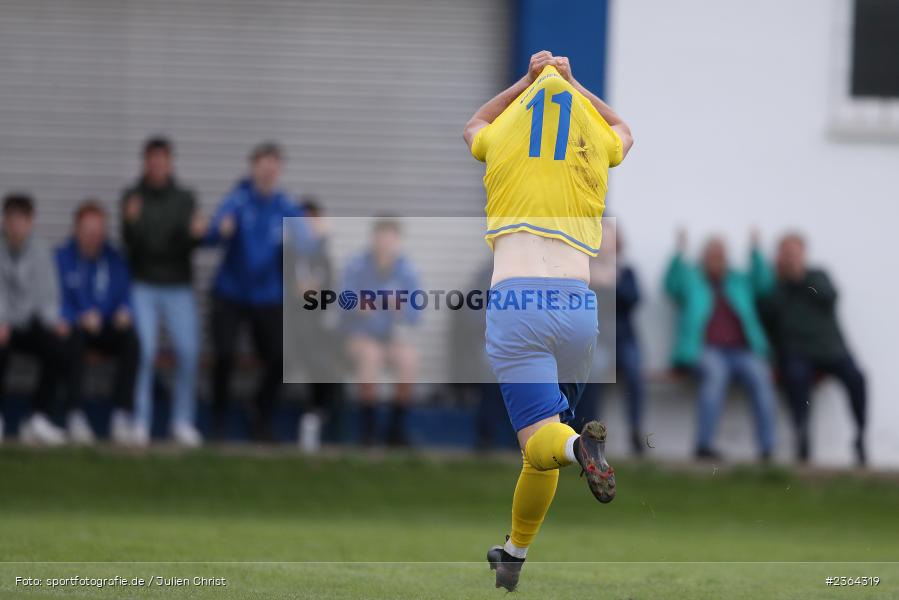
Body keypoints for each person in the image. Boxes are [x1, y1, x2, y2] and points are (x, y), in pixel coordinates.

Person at [464, 51, 633, 591]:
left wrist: (525, 80)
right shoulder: (591, 131)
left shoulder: (508, 125)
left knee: (546, 440)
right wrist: (576, 85)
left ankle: (580, 448)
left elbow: (473, 125)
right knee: (546, 445)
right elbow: (625, 129)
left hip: (519, 304)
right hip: (580, 309)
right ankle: (513, 553)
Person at [204, 142, 318, 442]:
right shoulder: (237, 200)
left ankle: (260, 411)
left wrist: (312, 235)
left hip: (266, 296)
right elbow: (211, 235)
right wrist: (220, 230)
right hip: (230, 293)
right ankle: (218, 418)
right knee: (225, 352)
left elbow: (306, 245)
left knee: (281, 356)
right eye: (263, 164)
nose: (268, 171)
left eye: (274, 165)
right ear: (253, 167)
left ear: (279, 171)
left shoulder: (285, 206)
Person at [121, 137, 205, 447]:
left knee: (188, 351)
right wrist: (137, 226)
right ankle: (140, 421)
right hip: (143, 283)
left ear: (170, 163)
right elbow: (133, 242)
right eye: (151, 160)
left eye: (162, 159)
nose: (157, 165)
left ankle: (182, 421)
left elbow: (188, 244)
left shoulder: (185, 199)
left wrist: (192, 236)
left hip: (178, 285)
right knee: (143, 351)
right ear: (145, 162)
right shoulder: (133, 196)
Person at [664, 230, 777, 461]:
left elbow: (765, 285)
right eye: (712, 255)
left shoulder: (739, 281)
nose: (717, 260)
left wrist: (755, 252)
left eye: (721, 256)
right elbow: (670, 285)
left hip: (742, 351)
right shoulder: (692, 280)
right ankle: (704, 446)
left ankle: (767, 449)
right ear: (703, 258)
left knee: (761, 377)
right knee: (716, 375)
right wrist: (679, 253)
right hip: (705, 349)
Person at [758, 233, 867, 465]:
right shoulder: (775, 286)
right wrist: (781, 280)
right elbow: (767, 314)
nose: (791, 259)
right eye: (786, 254)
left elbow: (830, 297)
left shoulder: (818, 277)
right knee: (796, 378)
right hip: (796, 353)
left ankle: (860, 438)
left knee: (857, 378)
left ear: (803, 254)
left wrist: (800, 277)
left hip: (831, 351)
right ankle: (803, 439)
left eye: (795, 254)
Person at [56, 200, 140, 446]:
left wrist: (125, 311)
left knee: (131, 340)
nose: (94, 236)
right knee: (73, 340)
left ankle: (121, 416)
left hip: (106, 326)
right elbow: (54, 298)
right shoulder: (62, 257)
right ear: (76, 231)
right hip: (78, 327)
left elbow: (127, 294)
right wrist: (76, 317)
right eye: (88, 231)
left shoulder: (115, 258)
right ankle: (75, 415)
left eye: (98, 231)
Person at [341, 218, 421, 447]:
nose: (386, 244)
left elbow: (414, 314)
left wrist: (401, 309)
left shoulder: (406, 271)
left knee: (409, 359)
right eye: (382, 238)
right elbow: (345, 303)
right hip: (359, 336)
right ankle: (368, 432)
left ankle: (396, 432)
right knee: (370, 355)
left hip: (390, 337)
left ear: (398, 241)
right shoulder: (357, 266)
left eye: (391, 239)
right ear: (373, 239)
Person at [0, 194, 69, 445]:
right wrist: (2, 320)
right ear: (5, 221)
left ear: (30, 222)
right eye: (11, 219)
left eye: (21, 220)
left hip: (30, 323)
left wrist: (53, 323)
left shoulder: (41, 251)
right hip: (4, 323)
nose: (16, 225)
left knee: (58, 350)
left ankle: (38, 418)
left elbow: (48, 294)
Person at [581, 224, 646, 455]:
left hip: (623, 341)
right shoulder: (584, 271)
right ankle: (589, 435)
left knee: (635, 370)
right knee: (593, 370)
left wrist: (613, 282)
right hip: (595, 341)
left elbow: (634, 299)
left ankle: (636, 431)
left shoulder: (625, 271)